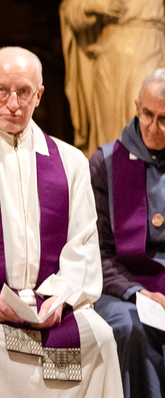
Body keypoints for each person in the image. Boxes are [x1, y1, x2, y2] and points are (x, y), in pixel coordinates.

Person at [0, 46, 122, 398]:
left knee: (101, 337)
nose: (12, 103)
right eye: (2, 90)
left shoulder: (70, 162)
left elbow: (84, 242)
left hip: (49, 304)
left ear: (38, 95)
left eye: (23, 92)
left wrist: (61, 296)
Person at [60, 0, 165, 156]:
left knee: (141, 118)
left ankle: (142, 177)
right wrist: (95, 4)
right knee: (109, 130)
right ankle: (109, 177)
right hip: (109, 62)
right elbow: (70, 8)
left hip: (149, 55)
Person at [90, 68, 165, 398]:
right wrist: (137, 291)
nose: (153, 127)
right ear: (137, 106)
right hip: (122, 286)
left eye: (164, 119)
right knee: (131, 326)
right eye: (147, 114)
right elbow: (97, 252)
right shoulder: (105, 163)